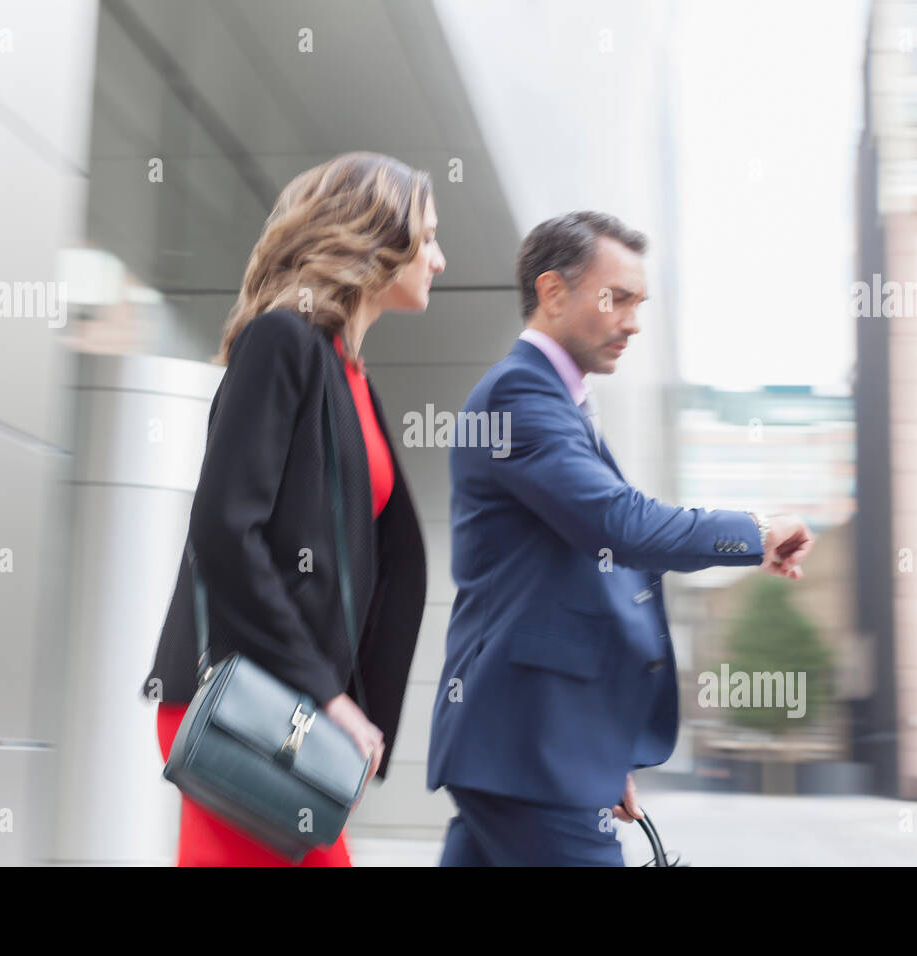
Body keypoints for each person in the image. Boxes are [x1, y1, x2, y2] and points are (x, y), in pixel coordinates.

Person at [426, 211, 813, 866]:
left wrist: (599, 754)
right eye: (618, 299)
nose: (633, 321)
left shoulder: (556, 402)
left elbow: (584, 570)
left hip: (534, 749)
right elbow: (620, 525)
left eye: (640, 303)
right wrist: (753, 532)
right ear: (552, 293)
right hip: (529, 749)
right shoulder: (520, 396)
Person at [143, 151, 446, 866]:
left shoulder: (353, 382)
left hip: (295, 719)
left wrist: (348, 709)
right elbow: (224, 531)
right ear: (374, 238)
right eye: (426, 237)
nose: (439, 258)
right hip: (246, 710)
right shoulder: (282, 342)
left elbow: (365, 573)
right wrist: (325, 697)